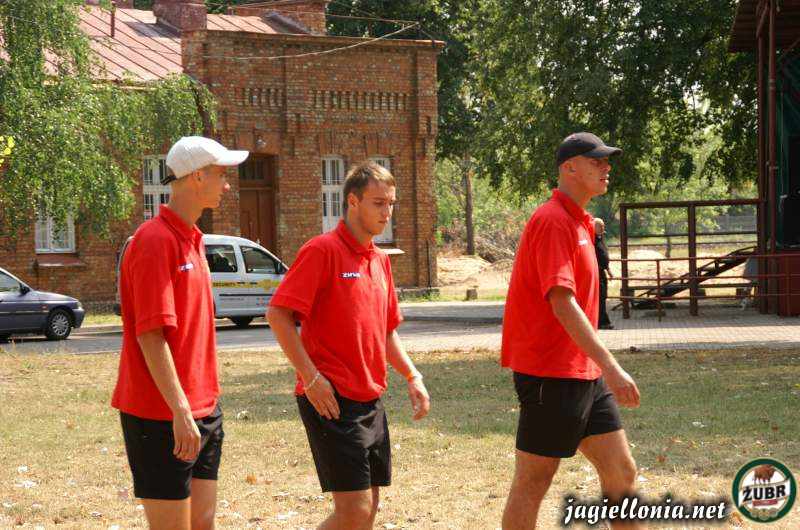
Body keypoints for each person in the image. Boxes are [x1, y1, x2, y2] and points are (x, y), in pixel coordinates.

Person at [266, 160, 431, 530]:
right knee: (354, 511)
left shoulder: (380, 260)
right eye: (378, 203)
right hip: (331, 398)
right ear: (353, 202)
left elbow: (386, 331)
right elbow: (278, 315)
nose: (387, 212)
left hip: (370, 397)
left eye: (391, 204)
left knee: (367, 509)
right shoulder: (322, 250)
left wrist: (412, 376)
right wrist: (311, 378)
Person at [500, 132, 642, 529]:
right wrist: (612, 366)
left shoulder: (579, 221)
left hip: (583, 372)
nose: (606, 167)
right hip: (550, 373)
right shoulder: (552, 221)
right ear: (569, 168)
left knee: (621, 472)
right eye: (596, 161)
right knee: (534, 481)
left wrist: (600, 368)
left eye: (606, 160)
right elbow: (562, 302)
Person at [112, 136, 248, 530]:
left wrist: (201, 406)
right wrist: (180, 410)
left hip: (203, 409)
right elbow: (150, 335)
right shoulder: (154, 241)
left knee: (202, 523)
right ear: (197, 176)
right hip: (162, 414)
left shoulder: (194, 238)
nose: (227, 185)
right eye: (221, 175)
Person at [594, 218, 615, 329]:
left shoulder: (601, 238)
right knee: (600, 296)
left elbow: (603, 255)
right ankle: (601, 322)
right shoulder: (592, 239)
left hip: (602, 272)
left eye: (603, 226)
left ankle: (602, 321)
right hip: (596, 272)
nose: (603, 228)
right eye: (600, 226)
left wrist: (608, 270)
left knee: (603, 296)